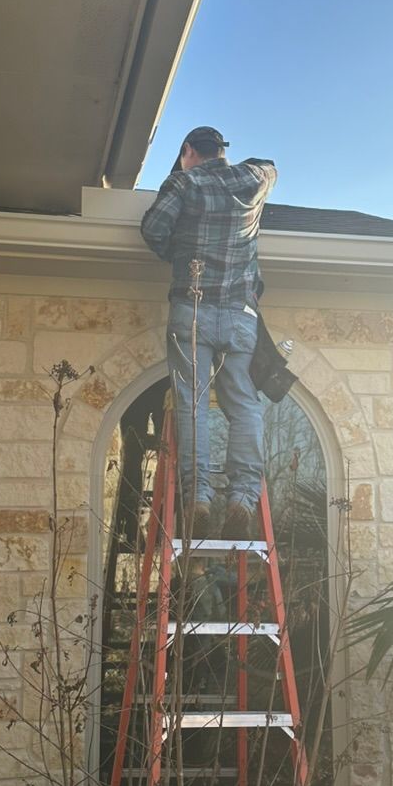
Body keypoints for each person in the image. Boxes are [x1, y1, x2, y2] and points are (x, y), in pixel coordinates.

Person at [140, 126, 277, 540]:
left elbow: (153, 230)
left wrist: (181, 250)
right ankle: (242, 498)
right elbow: (269, 166)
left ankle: (198, 497)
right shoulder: (255, 177)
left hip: (193, 308)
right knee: (244, 405)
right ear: (221, 151)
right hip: (240, 314)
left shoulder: (184, 182)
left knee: (192, 404)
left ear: (187, 151)